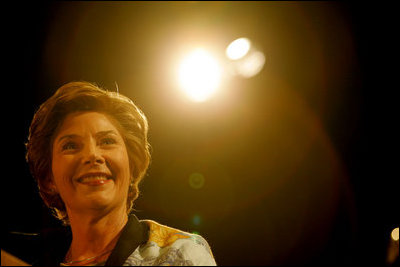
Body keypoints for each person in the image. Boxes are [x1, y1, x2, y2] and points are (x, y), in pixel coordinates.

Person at [25, 81, 217, 266]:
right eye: (71, 146)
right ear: (49, 177)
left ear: (131, 165)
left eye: (107, 141)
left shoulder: (180, 253)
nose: (92, 155)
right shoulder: (24, 258)